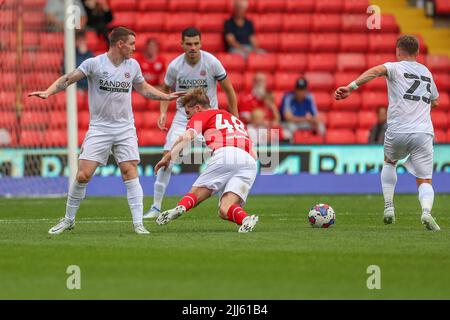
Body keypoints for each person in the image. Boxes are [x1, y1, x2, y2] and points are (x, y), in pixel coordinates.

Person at [28, 27, 185, 235]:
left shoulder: (133, 66)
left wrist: (165, 97)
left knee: (129, 171)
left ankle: (138, 223)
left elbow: (144, 88)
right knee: (83, 175)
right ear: (120, 44)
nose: (134, 48)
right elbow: (68, 78)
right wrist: (48, 92)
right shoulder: (94, 63)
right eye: (131, 44)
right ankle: (68, 220)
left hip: (125, 128)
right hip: (100, 128)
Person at [335, 35, 440, 231]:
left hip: (398, 129)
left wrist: (351, 87)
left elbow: (375, 71)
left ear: (398, 51)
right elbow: (435, 101)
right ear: (417, 53)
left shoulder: (394, 67)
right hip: (424, 132)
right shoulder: (426, 72)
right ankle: (426, 212)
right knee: (424, 179)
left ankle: (389, 206)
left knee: (390, 161)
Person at [144, 27, 238, 219]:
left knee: (227, 157)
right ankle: (155, 207)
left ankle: (227, 201)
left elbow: (229, 90)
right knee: (168, 158)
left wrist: (234, 117)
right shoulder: (175, 66)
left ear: (201, 44)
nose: (193, 47)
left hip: (210, 118)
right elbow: (166, 90)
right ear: (182, 44)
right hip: (182, 117)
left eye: (196, 43)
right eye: (189, 44)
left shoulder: (212, 63)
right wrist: (163, 112)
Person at [154, 88, 259, 233]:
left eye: (188, 113)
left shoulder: (202, 115)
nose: (188, 118)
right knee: (224, 209)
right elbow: (254, 152)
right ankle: (246, 219)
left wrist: (167, 157)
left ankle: (182, 207)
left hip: (226, 153)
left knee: (198, 192)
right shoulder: (232, 118)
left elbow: (185, 137)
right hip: (250, 162)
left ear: (197, 107)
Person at [280, 77, 326, 142]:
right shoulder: (288, 97)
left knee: (320, 126)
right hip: (288, 123)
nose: (300, 92)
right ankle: (293, 149)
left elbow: (316, 117)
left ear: (306, 90)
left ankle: (321, 147)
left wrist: (313, 120)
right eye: (299, 89)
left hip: (303, 123)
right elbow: (288, 118)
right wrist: (305, 119)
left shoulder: (309, 97)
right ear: (295, 89)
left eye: (303, 89)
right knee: (292, 127)